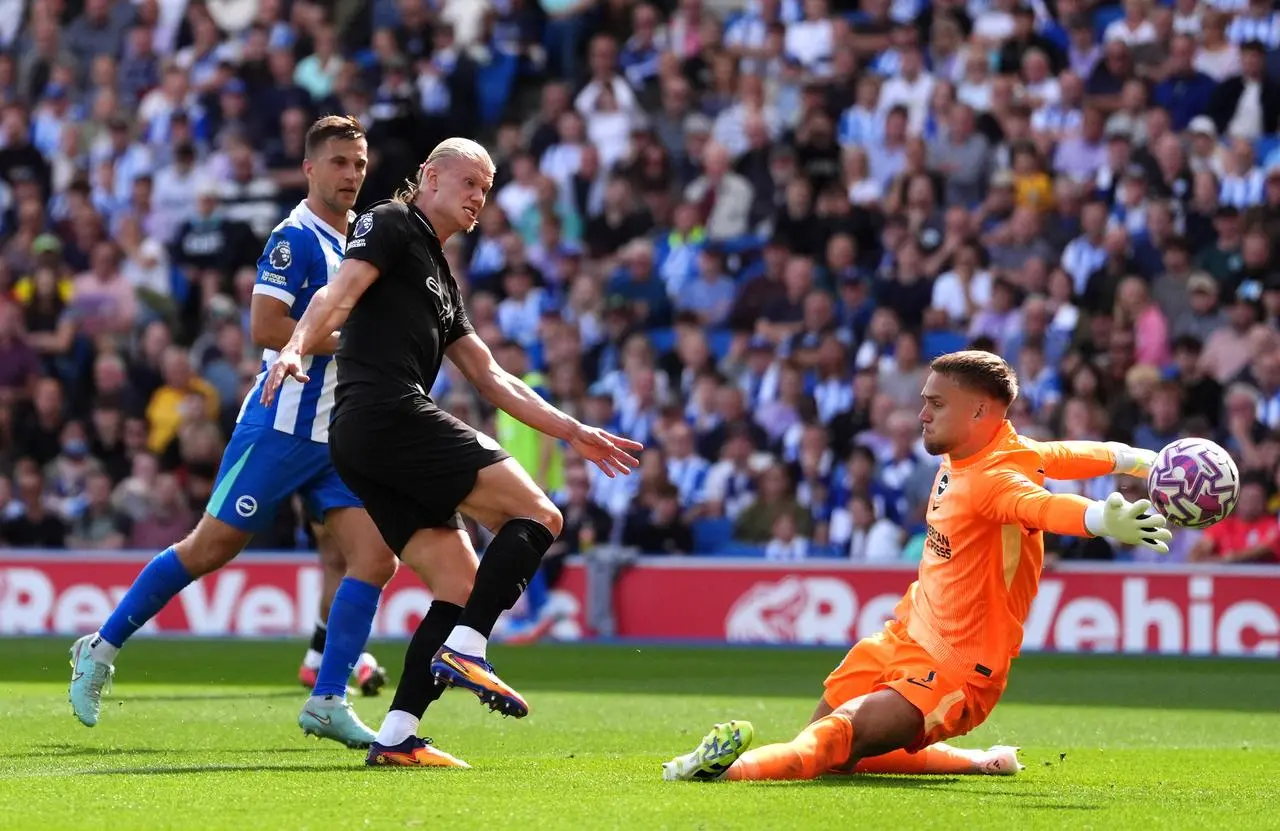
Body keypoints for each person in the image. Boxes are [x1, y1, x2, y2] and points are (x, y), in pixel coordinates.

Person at [261, 137, 643, 768]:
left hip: (363, 440)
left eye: (486, 191)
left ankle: (397, 737)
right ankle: (468, 647)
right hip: (386, 414)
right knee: (541, 517)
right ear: (430, 177)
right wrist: (298, 345)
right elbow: (337, 295)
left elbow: (492, 379)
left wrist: (572, 431)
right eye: (470, 184)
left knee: (461, 583)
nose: (478, 200)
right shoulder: (389, 223)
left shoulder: (439, 274)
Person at [662, 350, 1170, 782]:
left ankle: (720, 770)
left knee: (836, 737)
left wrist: (1101, 517)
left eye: (935, 403)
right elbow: (1061, 454)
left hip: (956, 669)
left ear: (978, 412)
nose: (921, 414)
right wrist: (1134, 460)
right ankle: (979, 763)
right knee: (837, 755)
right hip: (903, 636)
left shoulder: (993, 479)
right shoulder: (988, 450)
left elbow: (1040, 506)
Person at [69, 116, 399, 751]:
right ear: (310, 168)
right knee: (209, 548)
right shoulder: (293, 238)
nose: (351, 175)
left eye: (358, 164)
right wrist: (357, 342)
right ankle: (100, 648)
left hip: (338, 436)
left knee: (374, 559)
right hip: (279, 427)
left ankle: (327, 698)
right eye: (339, 163)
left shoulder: (360, 237)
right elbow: (267, 328)